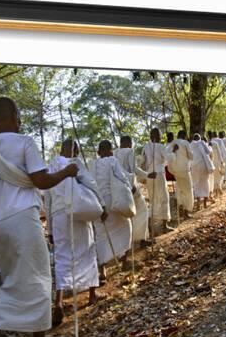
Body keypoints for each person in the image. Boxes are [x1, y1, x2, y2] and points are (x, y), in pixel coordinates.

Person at [0, 97, 78, 337]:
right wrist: (67, 172)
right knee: (38, 277)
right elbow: (41, 179)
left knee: (11, 278)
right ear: (15, 116)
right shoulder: (24, 142)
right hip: (22, 217)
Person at [45, 139, 106, 325]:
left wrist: (50, 227)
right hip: (78, 212)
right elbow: (91, 184)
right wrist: (101, 205)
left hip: (58, 216)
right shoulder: (76, 165)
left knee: (62, 258)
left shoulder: (50, 169)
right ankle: (92, 295)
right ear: (75, 151)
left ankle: (59, 303)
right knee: (87, 251)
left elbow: (46, 200)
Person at [90, 140, 134, 280]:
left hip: (97, 204)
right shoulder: (112, 161)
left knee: (101, 236)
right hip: (112, 202)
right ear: (110, 151)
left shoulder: (92, 164)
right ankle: (124, 260)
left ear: (98, 152)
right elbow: (122, 177)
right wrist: (130, 187)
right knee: (126, 226)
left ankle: (102, 270)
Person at [114, 135, 151, 247]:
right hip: (131, 185)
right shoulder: (130, 152)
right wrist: (147, 175)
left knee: (127, 214)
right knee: (142, 209)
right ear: (129, 143)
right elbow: (134, 169)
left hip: (119, 187)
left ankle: (127, 242)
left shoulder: (115, 153)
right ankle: (141, 239)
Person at [142, 127, 173, 232]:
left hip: (150, 175)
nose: (161, 137)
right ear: (157, 136)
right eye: (160, 135)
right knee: (164, 197)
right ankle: (164, 225)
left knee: (152, 199)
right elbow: (168, 158)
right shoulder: (160, 146)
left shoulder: (146, 147)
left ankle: (150, 226)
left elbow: (143, 162)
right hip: (159, 174)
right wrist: (174, 151)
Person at [166, 130, 194, 219]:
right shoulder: (185, 143)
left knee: (180, 189)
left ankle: (181, 207)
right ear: (184, 136)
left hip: (176, 171)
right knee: (188, 190)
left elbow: (168, 156)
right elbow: (191, 156)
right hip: (185, 170)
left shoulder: (172, 143)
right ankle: (186, 211)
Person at [190, 133, 215, 209]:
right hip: (202, 165)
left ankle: (198, 204)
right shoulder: (202, 143)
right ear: (199, 138)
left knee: (196, 183)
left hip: (194, 166)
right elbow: (208, 152)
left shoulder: (190, 145)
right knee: (204, 183)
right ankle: (204, 204)